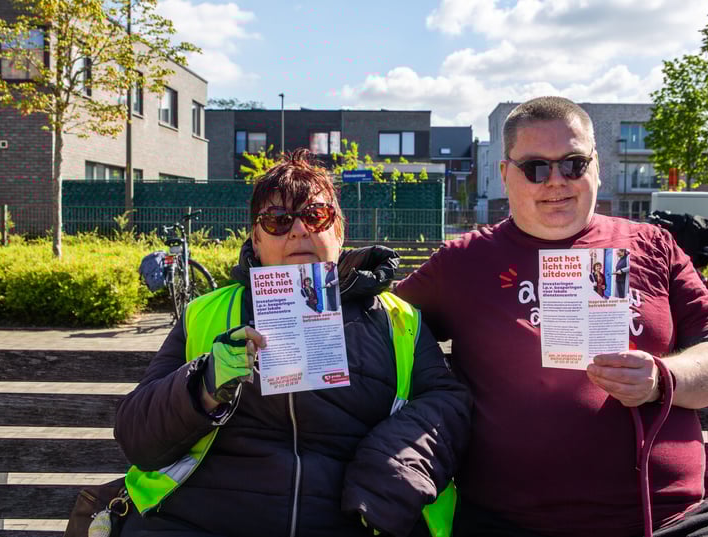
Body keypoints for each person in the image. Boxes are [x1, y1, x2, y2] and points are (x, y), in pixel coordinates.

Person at [396, 97, 708, 537]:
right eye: (535, 168)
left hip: (671, 518)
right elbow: (378, 330)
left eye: (574, 164)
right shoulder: (464, 261)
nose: (556, 181)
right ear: (505, 175)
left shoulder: (654, 245)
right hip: (515, 524)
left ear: (596, 166)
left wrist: (660, 380)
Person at [115, 149, 471, 537]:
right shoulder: (207, 313)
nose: (299, 230)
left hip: (348, 516)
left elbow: (446, 405)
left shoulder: (396, 319)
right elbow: (137, 439)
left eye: (316, 215)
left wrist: (392, 466)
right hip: (199, 520)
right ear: (256, 237)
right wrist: (201, 386)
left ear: (339, 232)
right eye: (278, 220)